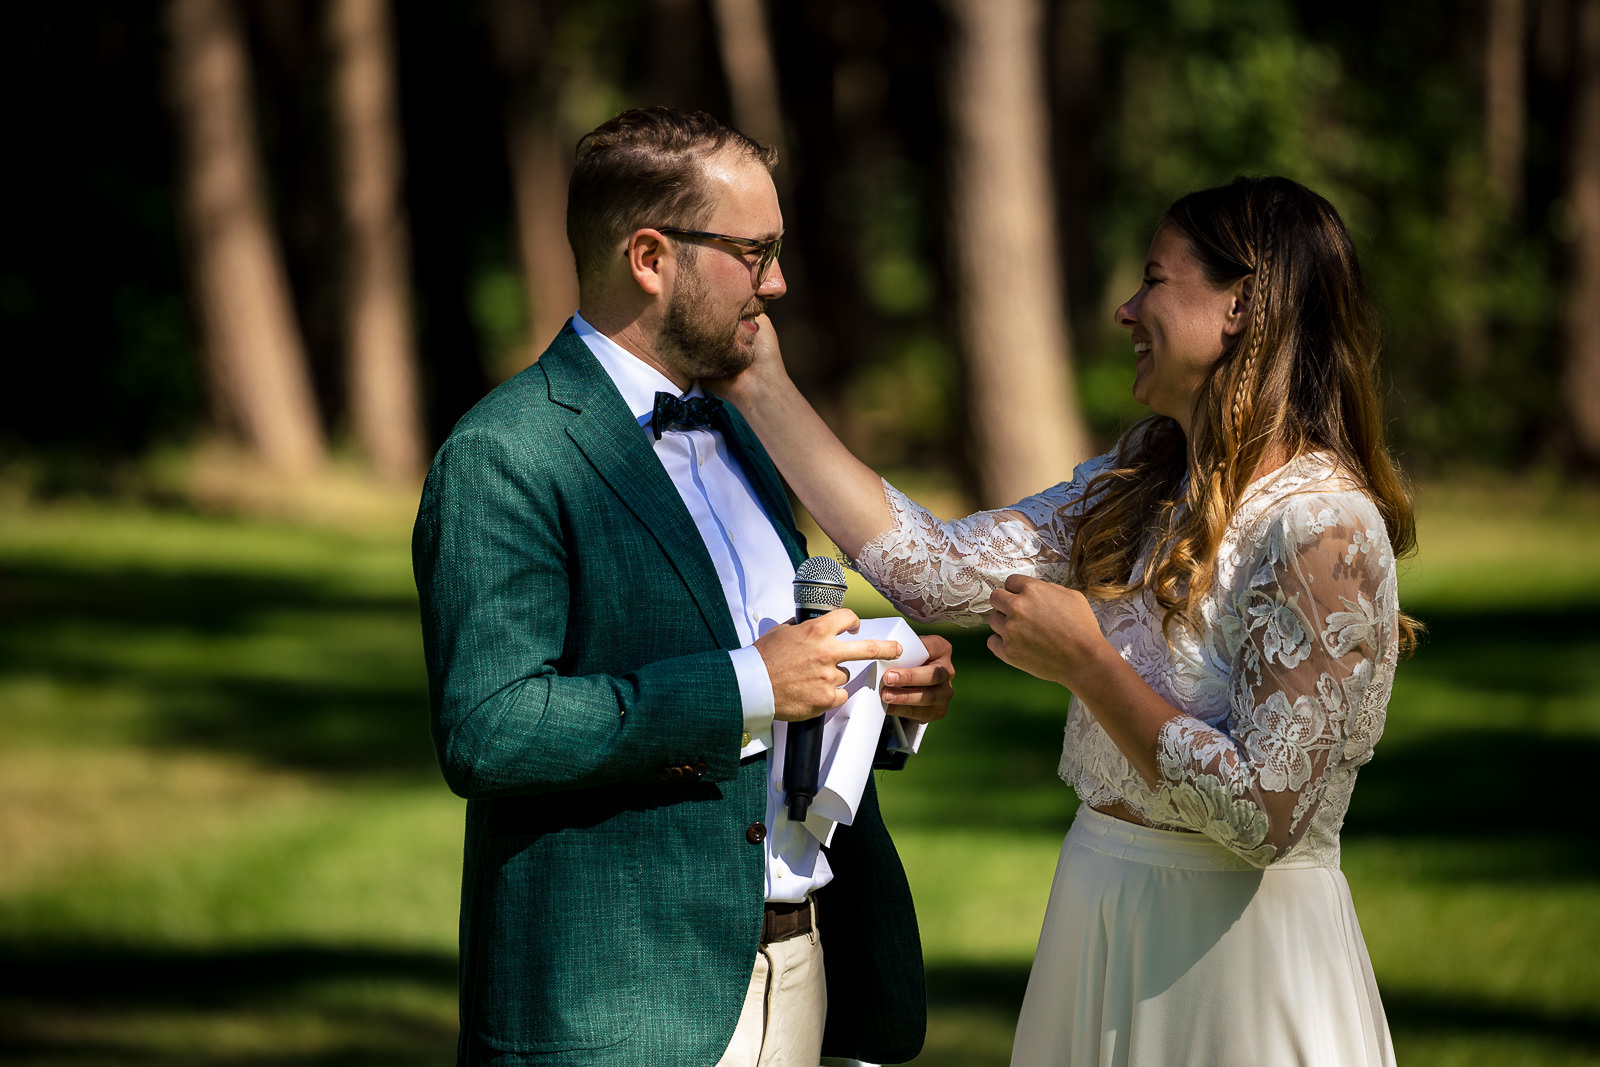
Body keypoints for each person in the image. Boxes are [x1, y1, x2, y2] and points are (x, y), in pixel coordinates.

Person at [710, 175, 1418, 1066]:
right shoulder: (1137, 481)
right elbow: (936, 569)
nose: (1127, 309)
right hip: (1100, 911)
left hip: (1236, 955)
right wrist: (760, 384)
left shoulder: (1323, 527)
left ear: (1240, 305)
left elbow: (1266, 816)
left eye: (1155, 280)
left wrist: (1089, 664)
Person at [412, 106, 954, 1067]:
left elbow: (780, 661)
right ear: (651, 257)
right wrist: (750, 684)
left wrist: (874, 688)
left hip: (808, 967)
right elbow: (487, 726)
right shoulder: (505, 453)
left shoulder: (741, 429)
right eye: (755, 252)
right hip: (620, 1003)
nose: (777, 281)